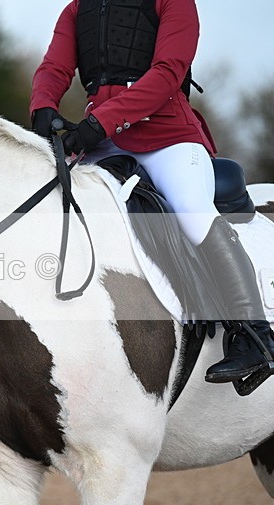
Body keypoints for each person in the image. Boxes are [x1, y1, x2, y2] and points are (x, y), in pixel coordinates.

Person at [29, 0, 274, 386]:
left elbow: (166, 74)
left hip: (166, 135)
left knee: (192, 211)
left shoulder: (173, 2)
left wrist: (99, 123)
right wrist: (42, 104)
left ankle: (253, 336)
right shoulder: (79, 9)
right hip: (104, 136)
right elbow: (54, 68)